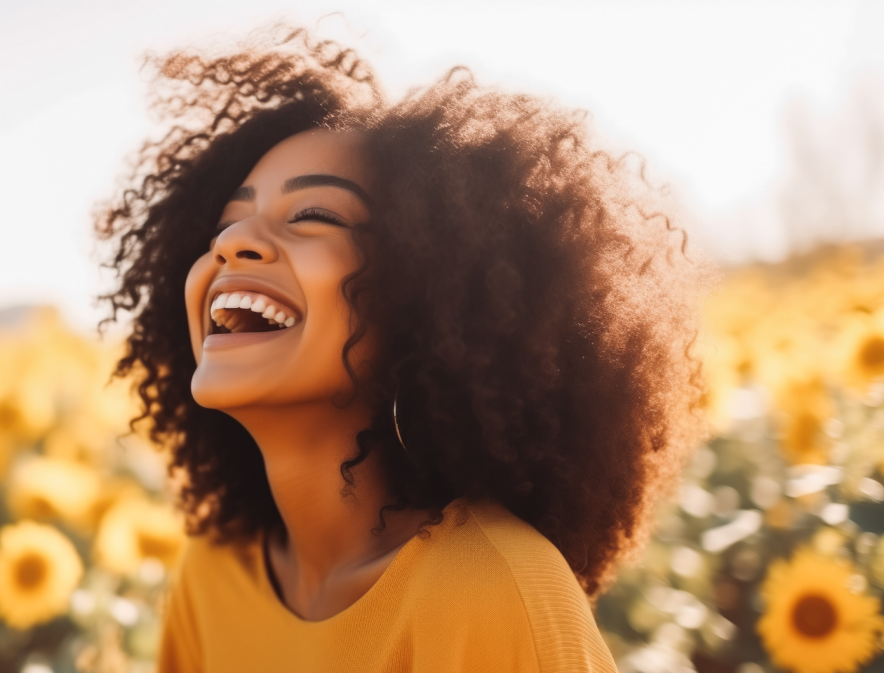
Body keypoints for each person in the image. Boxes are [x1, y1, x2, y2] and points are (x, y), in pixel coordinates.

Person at [97, 25, 706, 673]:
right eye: (224, 224)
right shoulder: (213, 572)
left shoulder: (493, 588)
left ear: (428, 295)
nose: (232, 243)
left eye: (313, 216)